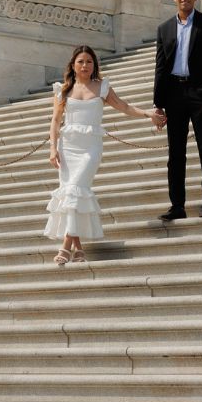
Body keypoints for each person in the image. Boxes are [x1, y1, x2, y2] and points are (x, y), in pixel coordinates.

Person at [44, 43, 151, 265]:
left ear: (94, 65)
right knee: (71, 194)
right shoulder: (63, 89)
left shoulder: (102, 87)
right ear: (73, 65)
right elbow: (55, 121)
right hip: (68, 147)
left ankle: (65, 247)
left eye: (89, 61)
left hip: (90, 148)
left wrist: (147, 114)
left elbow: (123, 106)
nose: (85, 65)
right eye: (81, 61)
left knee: (75, 190)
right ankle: (79, 248)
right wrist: (53, 148)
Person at [149, 0, 202, 220]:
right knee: (176, 153)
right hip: (174, 94)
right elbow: (160, 67)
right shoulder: (164, 29)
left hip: (200, 93)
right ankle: (177, 206)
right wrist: (158, 103)